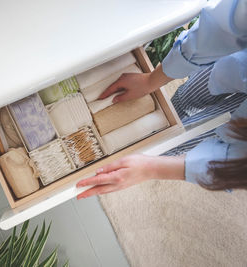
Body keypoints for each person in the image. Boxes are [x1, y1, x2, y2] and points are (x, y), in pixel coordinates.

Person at [76, 0, 247, 199]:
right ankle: (165, 127)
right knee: (187, 98)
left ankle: (166, 146)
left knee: (186, 139)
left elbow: (235, 164)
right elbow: (220, 30)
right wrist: (151, 81)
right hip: (238, 63)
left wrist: (152, 167)